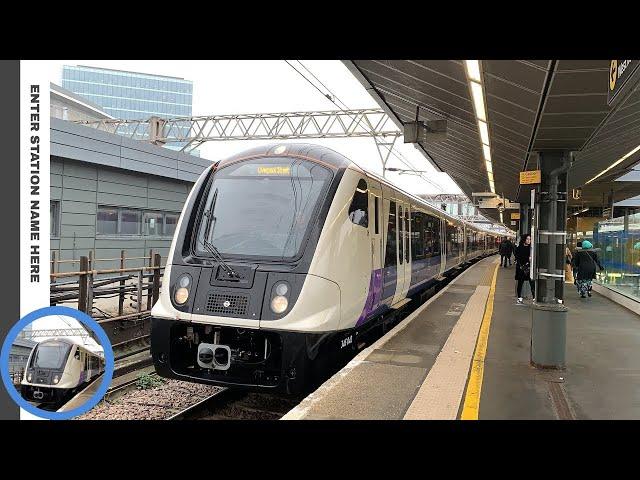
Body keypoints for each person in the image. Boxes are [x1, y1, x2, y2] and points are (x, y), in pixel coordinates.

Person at [515, 233, 535, 305]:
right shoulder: (519, 247)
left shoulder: (531, 248)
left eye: (530, 239)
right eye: (527, 239)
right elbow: (517, 257)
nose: (529, 240)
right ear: (524, 239)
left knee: (532, 283)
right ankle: (519, 298)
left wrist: (530, 259)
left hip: (529, 268)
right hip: (521, 268)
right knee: (520, 283)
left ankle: (534, 298)